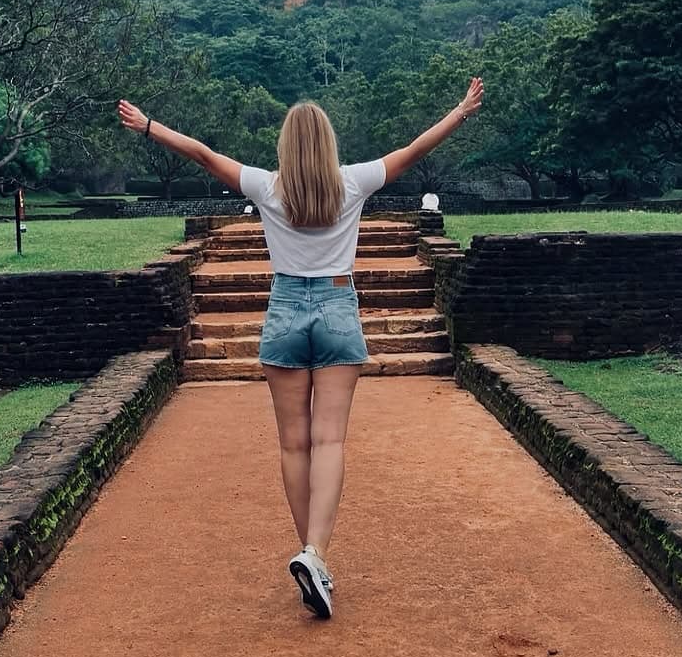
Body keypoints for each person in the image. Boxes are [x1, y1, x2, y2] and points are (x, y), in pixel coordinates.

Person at [117, 77, 484, 619]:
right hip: (337, 305)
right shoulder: (352, 182)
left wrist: (149, 126)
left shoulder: (267, 187)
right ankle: (315, 553)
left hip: (285, 308)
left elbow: (201, 153)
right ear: (329, 143)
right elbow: (414, 150)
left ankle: (310, 557)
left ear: (286, 146)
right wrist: (459, 111)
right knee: (329, 440)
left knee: (294, 445)